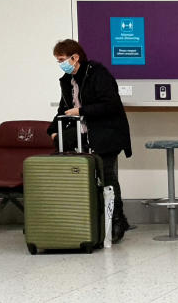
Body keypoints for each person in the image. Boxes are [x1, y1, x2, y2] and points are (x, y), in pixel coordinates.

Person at [47, 39, 133, 243]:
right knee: (89, 179)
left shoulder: (98, 74)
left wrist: (82, 111)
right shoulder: (67, 80)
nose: (60, 64)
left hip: (107, 134)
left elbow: (111, 104)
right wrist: (52, 130)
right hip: (83, 136)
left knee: (108, 177)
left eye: (62, 60)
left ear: (74, 57)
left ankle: (117, 219)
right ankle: (94, 221)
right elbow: (63, 109)